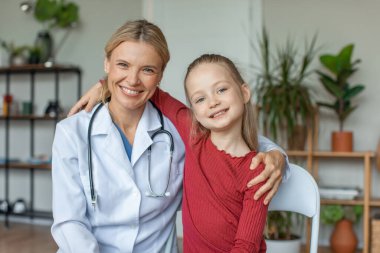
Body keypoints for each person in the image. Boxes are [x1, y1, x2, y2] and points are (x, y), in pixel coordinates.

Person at [53, 19, 287, 253]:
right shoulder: (71, 132)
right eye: (122, 65)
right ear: (107, 64)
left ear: (160, 76)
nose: (133, 79)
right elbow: (69, 222)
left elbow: (229, 141)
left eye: (147, 70)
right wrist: (106, 85)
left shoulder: (180, 130)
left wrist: (277, 154)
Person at [149, 53, 269, 252]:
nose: (213, 102)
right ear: (194, 111)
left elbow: (246, 247)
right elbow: (152, 92)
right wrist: (105, 85)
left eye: (221, 89)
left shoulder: (257, 170)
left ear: (244, 92)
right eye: (200, 99)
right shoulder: (194, 135)